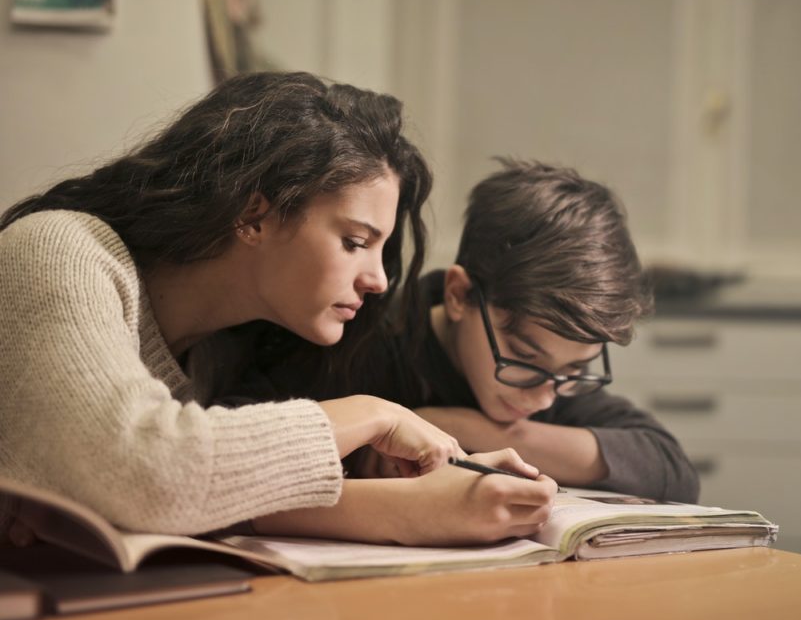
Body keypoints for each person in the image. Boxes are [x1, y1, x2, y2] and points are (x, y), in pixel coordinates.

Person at [0, 73, 555, 545]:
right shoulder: (60, 250)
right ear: (254, 215)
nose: (380, 280)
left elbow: (207, 495)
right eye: (356, 241)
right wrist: (372, 414)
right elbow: (150, 474)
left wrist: (422, 498)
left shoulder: (224, 351)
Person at [257, 159, 699, 502]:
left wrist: (480, 431)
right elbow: (243, 447)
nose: (543, 397)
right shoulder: (357, 339)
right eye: (524, 357)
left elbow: (670, 468)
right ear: (458, 295)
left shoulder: (553, 379)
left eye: (575, 370)